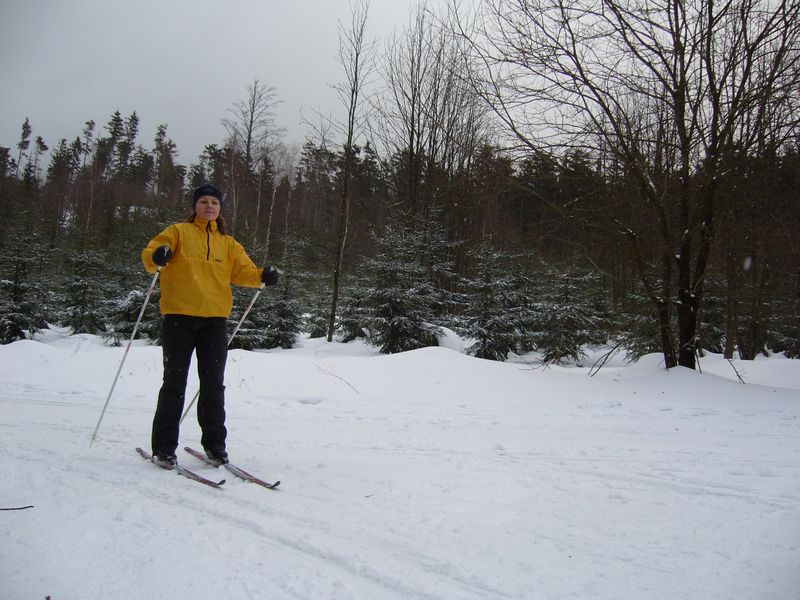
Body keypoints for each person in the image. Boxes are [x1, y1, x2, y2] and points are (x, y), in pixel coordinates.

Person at [141, 183, 280, 467]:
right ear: (195, 206)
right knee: (174, 384)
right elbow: (152, 252)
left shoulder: (228, 243)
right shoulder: (178, 231)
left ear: (219, 209)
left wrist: (263, 275)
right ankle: (164, 448)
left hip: (214, 321)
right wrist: (158, 256)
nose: (208, 206)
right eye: (203, 201)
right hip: (179, 319)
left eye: (214, 203)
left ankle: (215, 446)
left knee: (213, 386)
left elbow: (244, 272)